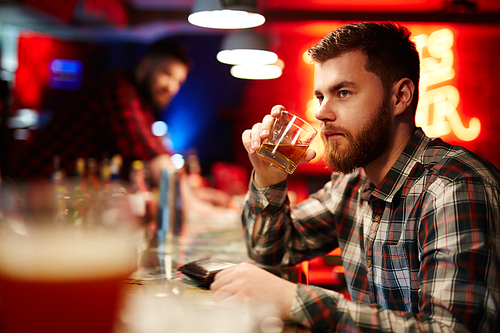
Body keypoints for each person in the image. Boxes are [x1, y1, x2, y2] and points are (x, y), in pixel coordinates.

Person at [210, 22, 500, 332]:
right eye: (320, 96)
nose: (321, 113)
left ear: (400, 96)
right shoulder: (352, 185)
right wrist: (269, 179)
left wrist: (295, 299)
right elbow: (271, 250)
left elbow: (449, 329)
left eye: (343, 93)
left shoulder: (455, 187)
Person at [11, 38, 190, 182]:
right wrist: (192, 203)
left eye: (179, 82)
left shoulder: (142, 104)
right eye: (166, 74)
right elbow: (144, 150)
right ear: (145, 65)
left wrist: (195, 197)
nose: (172, 87)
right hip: (33, 186)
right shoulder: (116, 87)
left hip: (64, 192)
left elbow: (157, 149)